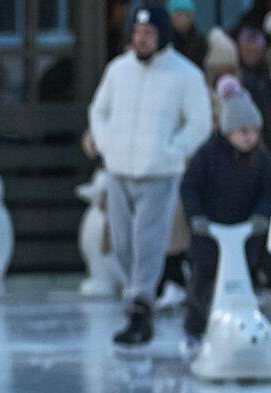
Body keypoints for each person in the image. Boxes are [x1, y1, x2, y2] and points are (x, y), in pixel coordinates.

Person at [88, 4, 212, 345]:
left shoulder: (184, 74)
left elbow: (199, 122)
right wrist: (105, 142)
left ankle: (140, 310)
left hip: (158, 173)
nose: (141, 40)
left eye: (148, 34)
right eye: (137, 34)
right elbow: (99, 109)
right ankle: (140, 299)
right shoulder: (118, 71)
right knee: (123, 246)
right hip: (119, 171)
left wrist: (172, 150)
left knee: (147, 245)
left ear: (162, 36)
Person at [179, 83, 271, 351]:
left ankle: (247, 334)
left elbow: (268, 191)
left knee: (244, 286)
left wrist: (261, 215)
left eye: (254, 131)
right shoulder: (208, 155)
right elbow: (190, 187)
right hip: (210, 235)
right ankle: (195, 331)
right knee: (203, 285)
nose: (249, 137)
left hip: (246, 235)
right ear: (228, 130)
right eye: (243, 131)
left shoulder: (262, 160)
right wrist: (196, 216)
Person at [170, 0, 208, 68]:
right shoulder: (166, 42)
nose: (183, 20)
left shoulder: (200, 42)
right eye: (179, 15)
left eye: (187, 16)